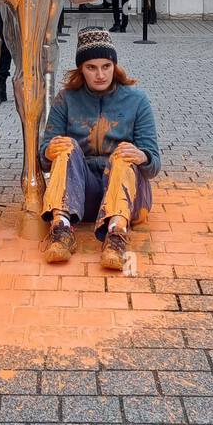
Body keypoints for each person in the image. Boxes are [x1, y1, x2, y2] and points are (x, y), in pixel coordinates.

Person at [39, 27, 161, 269]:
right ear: (81, 70)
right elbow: (43, 157)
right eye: (91, 68)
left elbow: (154, 164)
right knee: (66, 145)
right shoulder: (66, 99)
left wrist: (141, 156)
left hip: (127, 196)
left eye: (106, 66)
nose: (100, 75)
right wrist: (48, 151)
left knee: (124, 152)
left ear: (114, 65)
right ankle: (61, 229)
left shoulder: (137, 100)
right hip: (81, 196)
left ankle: (116, 235)